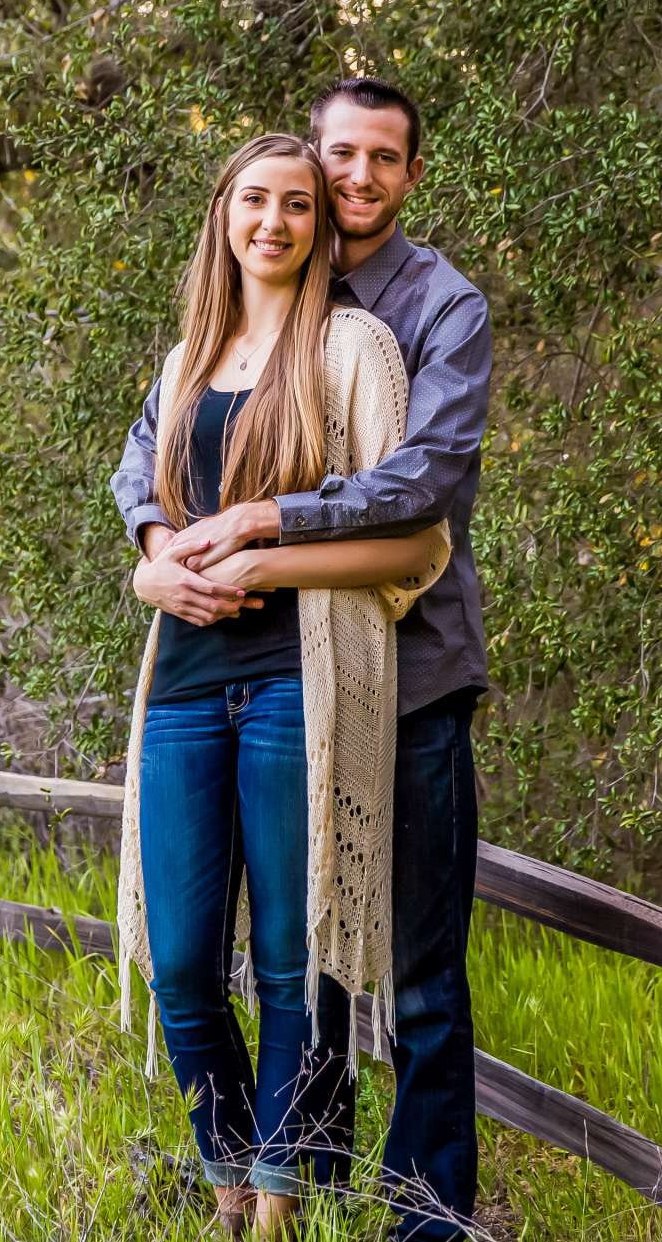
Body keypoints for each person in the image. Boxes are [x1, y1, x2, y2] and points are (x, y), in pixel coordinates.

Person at [128, 79, 491, 1242]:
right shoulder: (254, 311)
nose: (354, 179)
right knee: (266, 954)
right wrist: (153, 553)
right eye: (341, 157)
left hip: (408, 667)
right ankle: (295, 1178)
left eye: (382, 159)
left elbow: (422, 496)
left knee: (406, 973)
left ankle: (418, 1222)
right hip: (243, 667)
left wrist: (264, 535)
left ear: (409, 174)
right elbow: (148, 457)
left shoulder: (420, 316)